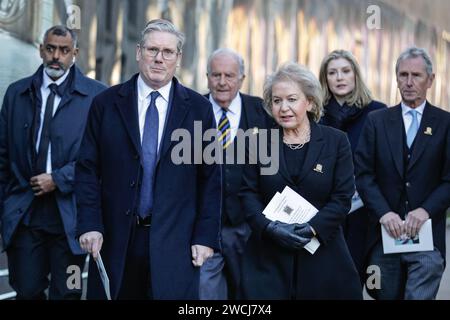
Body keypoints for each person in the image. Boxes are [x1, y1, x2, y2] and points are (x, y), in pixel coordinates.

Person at [75, 19, 221, 300]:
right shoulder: (105, 104)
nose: (159, 58)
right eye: (152, 49)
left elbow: (211, 178)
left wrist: (205, 237)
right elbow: (87, 170)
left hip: (177, 241)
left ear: (178, 58)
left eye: (168, 52)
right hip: (116, 238)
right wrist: (90, 224)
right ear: (139, 52)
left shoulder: (199, 110)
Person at [238, 62, 362, 299]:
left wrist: (312, 228)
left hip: (323, 260)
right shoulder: (257, 143)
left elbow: (342, 197)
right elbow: (247, 194)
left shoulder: (336, 141)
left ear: (310, 102)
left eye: (292, 99)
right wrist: (270, 228)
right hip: (268, 262)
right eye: (276, 101)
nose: (283, 108)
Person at [0, 25, 107, 299]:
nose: (56, 56)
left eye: (64, 50)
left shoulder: (97, 97)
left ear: (75, 54)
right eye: (50, 49)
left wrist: (58, 179)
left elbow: (102, 158)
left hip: (71, 222)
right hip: (25, 215)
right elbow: (2, 156)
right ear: (41, 50)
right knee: (25, 290)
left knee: (68, 293)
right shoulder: (16, 94)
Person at [355, 46, 450, 299]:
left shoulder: (445, 123)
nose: (409, 82)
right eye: (403, 75)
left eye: (416, 76)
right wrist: (384, 213)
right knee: (381, 293)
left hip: (427, 241)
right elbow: (363, 175)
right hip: (383, 236)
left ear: (430, 80)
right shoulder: (376, 121)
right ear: (396, 78)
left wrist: (425, 210)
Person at [200, 48, 273, 299]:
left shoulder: (263, 113)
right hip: (206, 226)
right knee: (206, 293)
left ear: (242, 78)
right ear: (207, 76)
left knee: (249, 294)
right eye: (216, 75)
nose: (222, 82)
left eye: (229, 75)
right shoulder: (192, 110)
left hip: (249, 226)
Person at [319, 49, 387, 283]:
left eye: (345, 71)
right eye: (332, 72)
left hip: (364, 213)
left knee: (355, 278)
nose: (339, 77)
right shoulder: (315, 115)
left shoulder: (377, 112)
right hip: (325, 211)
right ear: (324, 78)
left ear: (355, 75)